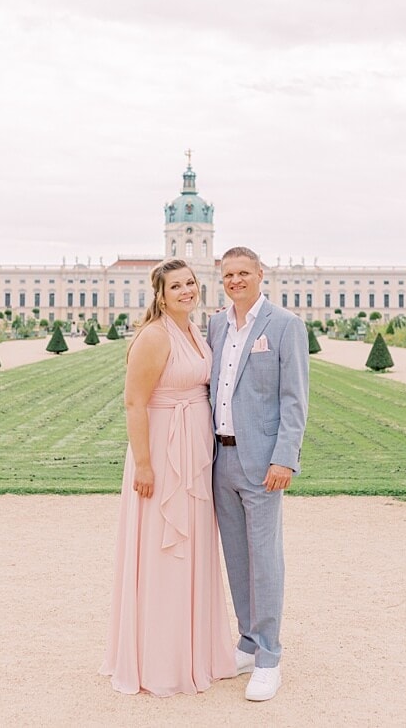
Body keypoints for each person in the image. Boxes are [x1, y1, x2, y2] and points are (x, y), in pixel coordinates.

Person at [99, 258, 238, 696]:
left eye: (191, 283)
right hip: (161, 451)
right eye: (176, 285)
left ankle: (193, 652)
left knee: (193, 550)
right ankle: (160, 660)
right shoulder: (155, 336)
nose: (186, 291)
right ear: (160, 294)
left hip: (195, 454)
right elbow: (134, 403)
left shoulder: (198, 331)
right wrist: (143, 464)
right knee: (164, 552)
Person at [207, 246, 310, 702]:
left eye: (243, 273)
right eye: (228, 274)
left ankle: (270, 656)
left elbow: (294, 398)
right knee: (237, 557)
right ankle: (248, 643)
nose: (236, 280)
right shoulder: (215, 325)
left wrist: (285, 456)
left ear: (260, 274)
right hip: (221, 459)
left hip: (264, 461)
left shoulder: (285, 325)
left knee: (265, 559)